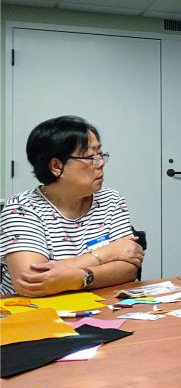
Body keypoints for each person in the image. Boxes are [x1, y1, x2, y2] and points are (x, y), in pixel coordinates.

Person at [0, 116, 143, 297]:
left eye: (100, 155)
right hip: (34, 310)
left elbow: (129, 267)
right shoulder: (22, 209)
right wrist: (106, 254)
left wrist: (76, 278)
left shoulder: (110, 200)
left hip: (100, 305)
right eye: (91, 157)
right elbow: (32, 281)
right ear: (56, 166)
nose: (101, 163)